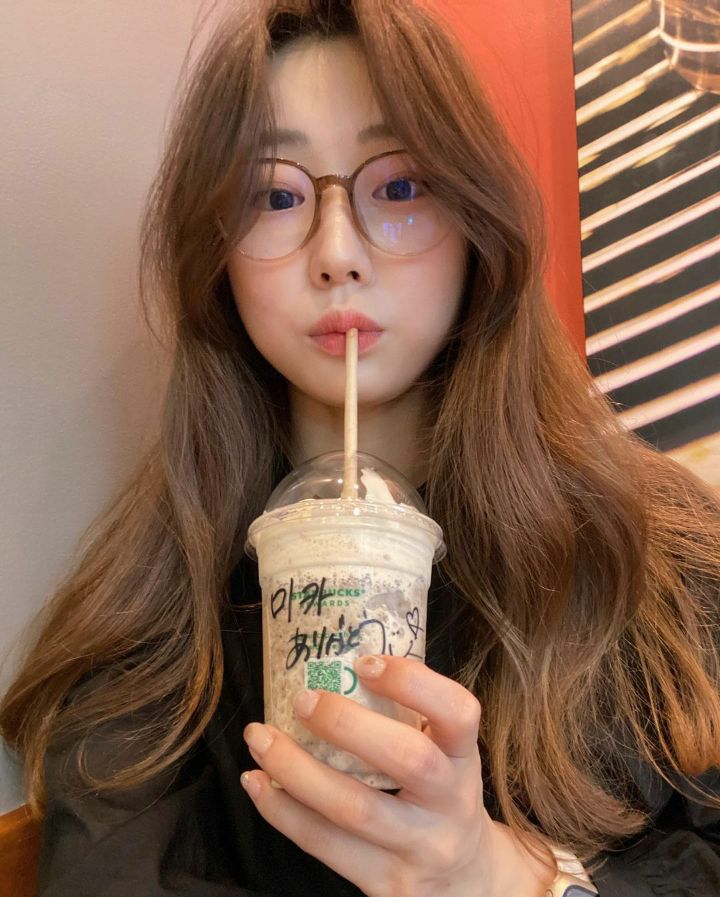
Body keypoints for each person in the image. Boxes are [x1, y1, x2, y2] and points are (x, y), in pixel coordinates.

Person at [1, 1, 719, 895]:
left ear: (479, 221)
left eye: (401, 186)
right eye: (274, 195)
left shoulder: (660, 560)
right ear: (214, 252)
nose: (337, 253)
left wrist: (506, 878)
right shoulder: (153, 637)